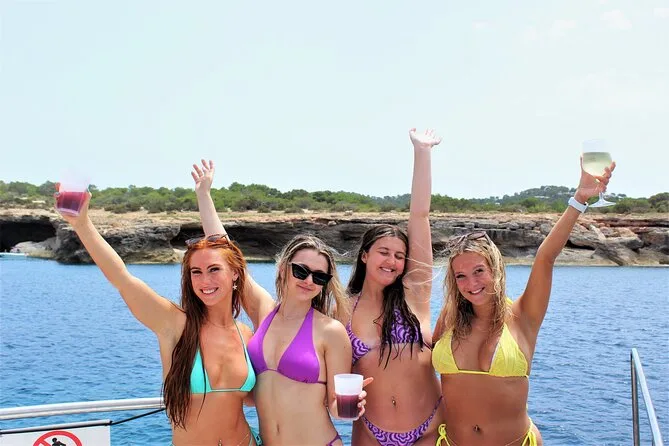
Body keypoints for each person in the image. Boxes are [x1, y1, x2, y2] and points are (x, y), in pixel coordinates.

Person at [432, 158, 616, 446]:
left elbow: (545, 256)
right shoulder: (450, 317)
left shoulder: (523, 315)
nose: (471, 283)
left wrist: (579, 199)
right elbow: (422, 366)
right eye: (461, 276)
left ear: (495, 269)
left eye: (479, 271)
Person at [55, 189, 261, 446]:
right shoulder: (175, 323)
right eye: (196, 272)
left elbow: (258, 396)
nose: (204, 281)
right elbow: (122, 279)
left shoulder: (246, 335)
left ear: (235, 274)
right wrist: (82, 225)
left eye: (214, 269)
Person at [193, 161, 369, 446]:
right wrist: (204, 195)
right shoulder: (263, 311)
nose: (308, 280)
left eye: (319, 276)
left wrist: (352, 405)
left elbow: (337, 408)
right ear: (283, 269)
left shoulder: (331, 331)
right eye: (301, 270)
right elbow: (226, 250)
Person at [345, 128, 444, 446]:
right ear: (364, 255)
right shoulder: (341, 308)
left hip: (429, 427)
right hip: (370, 432)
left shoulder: (415, 294)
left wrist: (422, 152)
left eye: (400, 256)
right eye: (384, 252)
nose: (392, 261)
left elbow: (420, 215)